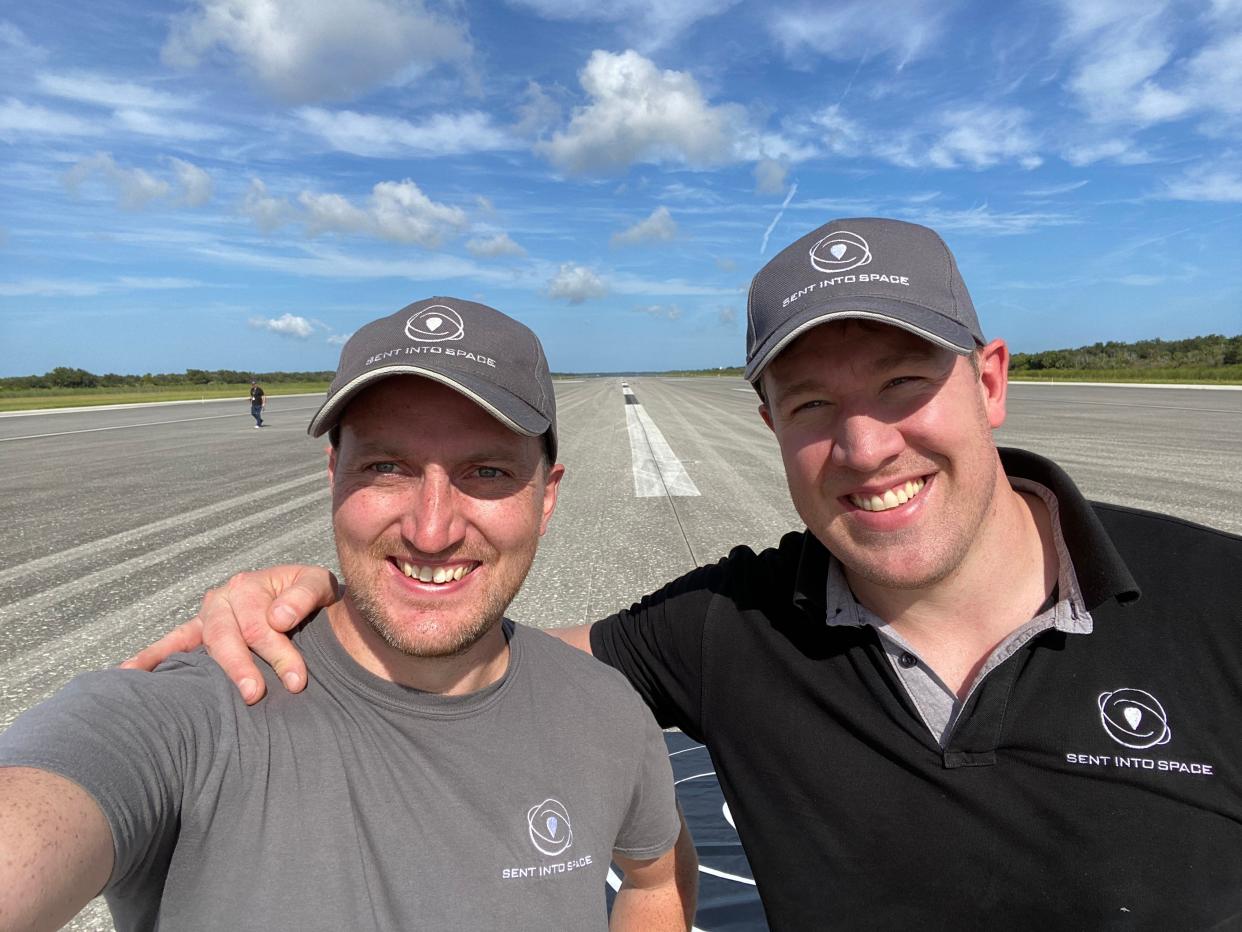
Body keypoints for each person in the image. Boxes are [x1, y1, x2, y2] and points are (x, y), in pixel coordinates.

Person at [127, 221, 1242, 929]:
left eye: (904, 383)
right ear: (768, 421)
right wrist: (328, 599)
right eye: (812, 404)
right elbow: (484, 656)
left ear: (990, 380)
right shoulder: (732, 626)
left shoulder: (1218, 600)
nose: (863, 446)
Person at [0, 298, 696, 931]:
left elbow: (655, 881)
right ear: (333, 475)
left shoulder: (605, 711)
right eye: (385, 468)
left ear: (546, 499)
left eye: (487, 472)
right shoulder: (195, 716)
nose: (432, 530)